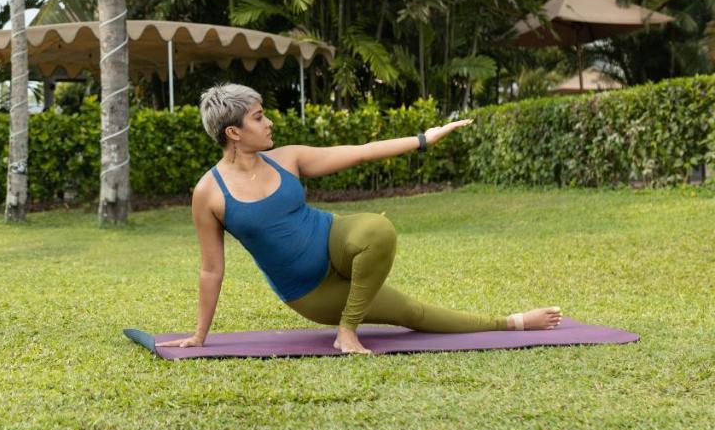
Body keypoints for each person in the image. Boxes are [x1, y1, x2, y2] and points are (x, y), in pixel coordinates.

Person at [161, 84, 562, 355]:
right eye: (259, 117)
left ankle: (347, 331)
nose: (269, 124)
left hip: (333, 238)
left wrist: (424, 138)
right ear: (233, 131)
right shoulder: (209, 193)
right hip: (309, 291)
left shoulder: (287, 158)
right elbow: (211, 270)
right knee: (412, 314)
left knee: (377, 229)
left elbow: (363, 150)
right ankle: (514, 323)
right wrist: (200, 335)